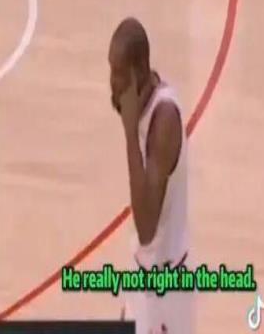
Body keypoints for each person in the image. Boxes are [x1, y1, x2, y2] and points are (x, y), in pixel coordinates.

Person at [108, 17, 195, 334]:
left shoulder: (165, 121)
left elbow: (147, 228)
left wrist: (130, 133)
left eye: (118, 73)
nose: (112, 83)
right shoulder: (145, 105)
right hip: (143, 275)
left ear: (138, 72)